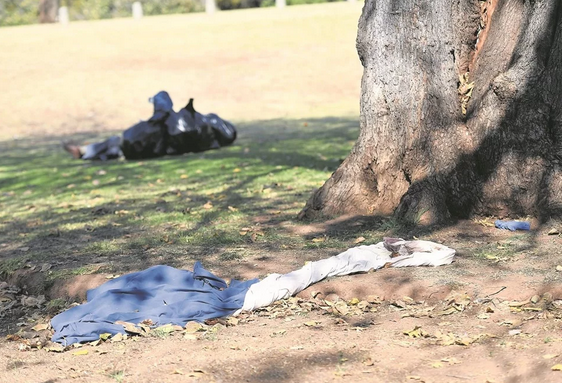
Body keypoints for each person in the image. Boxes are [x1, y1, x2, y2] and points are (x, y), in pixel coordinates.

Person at [63, 91, 237, 160]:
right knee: (117, 146)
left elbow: (164, 109)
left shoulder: (175, 122)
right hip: (145, 147)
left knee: (117, 144)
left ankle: (85, 153)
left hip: (143, 145)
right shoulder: (196, 130)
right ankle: (85, 153)